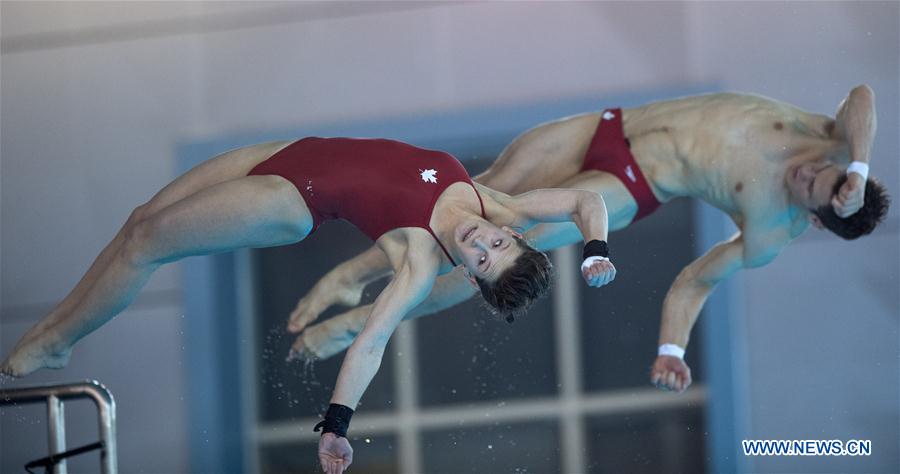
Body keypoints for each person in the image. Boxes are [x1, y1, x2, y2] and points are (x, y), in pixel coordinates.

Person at [0, 136, 616, 473]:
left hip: (289, 199)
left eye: (483, 260)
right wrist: (594, 249)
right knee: (141, 220)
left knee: (145, 244)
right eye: (496, 244)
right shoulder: (497, 206)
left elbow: (371, 343)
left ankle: (57, 339)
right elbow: (588, 202)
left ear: (475, 280)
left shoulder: (422, 264)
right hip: (285, 151)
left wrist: (338, 425)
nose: (481, 243)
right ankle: (54, 334)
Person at [288, 85, 890, 396]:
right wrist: (856, 169)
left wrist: (671, 352)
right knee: (471, 196)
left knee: (499, 245)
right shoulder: (834, 139)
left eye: (815, 190)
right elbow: (862, 94)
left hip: (635, 182)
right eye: (828, 173)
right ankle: (354, 272)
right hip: (611, 125)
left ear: (812, 219)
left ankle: (354, 323)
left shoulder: (770, 231)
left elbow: (696, 282)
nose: (810, 174)